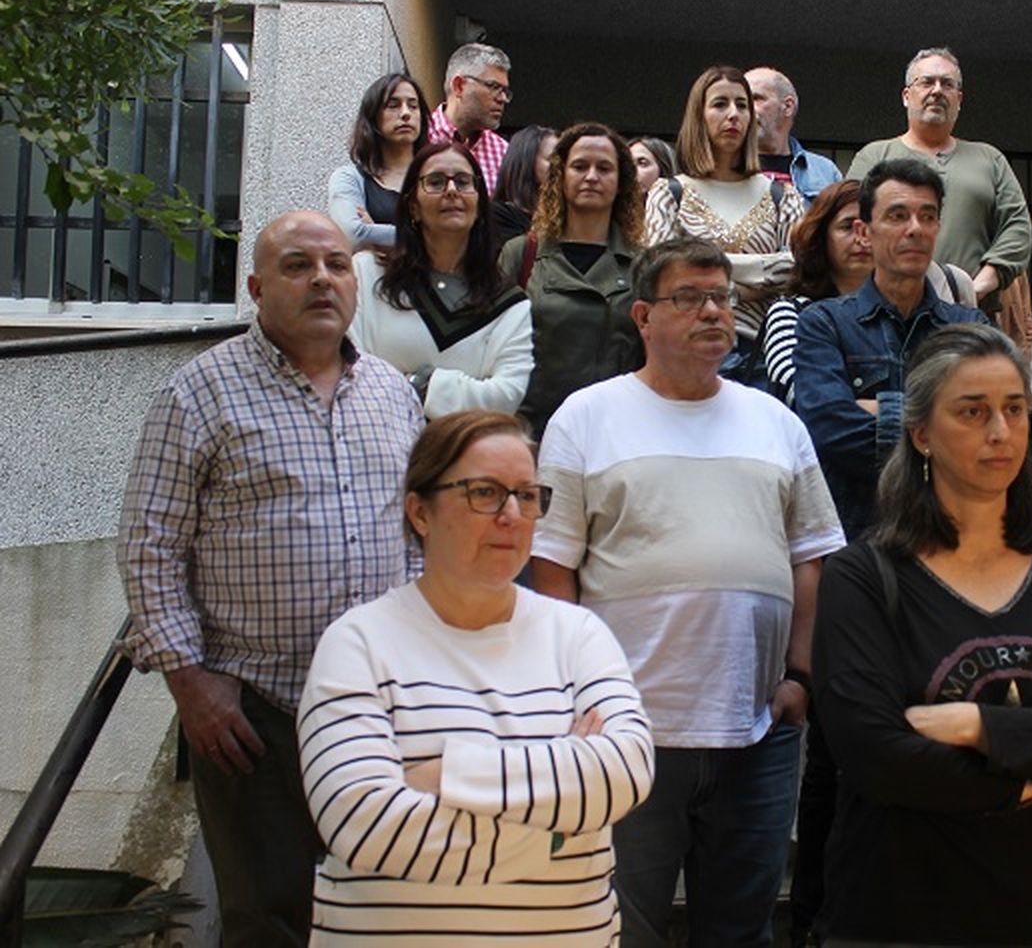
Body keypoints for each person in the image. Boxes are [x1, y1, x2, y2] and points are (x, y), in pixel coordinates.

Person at [529, 238, 846, 947]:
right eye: (691, 297)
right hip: (629, 734)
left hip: (757, 729)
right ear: (642, 316)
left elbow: (811, 558)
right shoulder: (585, 416)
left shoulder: (777, 422)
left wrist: (800, 676)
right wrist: (579, 695)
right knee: (620, 928)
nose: (714, 312)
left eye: (724, 298)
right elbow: (553, 572)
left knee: (741, 929)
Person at [117, 211, 421, 945]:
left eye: (337, 264)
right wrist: (191, 682)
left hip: (376, 706)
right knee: (267, 914)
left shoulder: (392, 391)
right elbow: (149, 544)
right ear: (256, 287)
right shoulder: (199, 393)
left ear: (358, 283)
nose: (322, 278)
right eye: (297, 265)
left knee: (381, 905)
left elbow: (420, 534)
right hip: (252, 713)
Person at [812, 322, 1032, 946]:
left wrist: (978, 728)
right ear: (921, 434)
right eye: (973, 412)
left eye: (1014, 410)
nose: (1001, 432)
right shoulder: (862, 579)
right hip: (901, 922)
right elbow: (880, 760)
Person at [297, 410, 655, 945]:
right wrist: (556, 832)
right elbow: (365, 826)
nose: (512, 514)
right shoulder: (358, 643)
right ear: (420, 511)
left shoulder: (578, 634)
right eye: (484, 493)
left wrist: (448, 774)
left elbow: (626, 772)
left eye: (527, 495)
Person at [793, 159, 986, 539]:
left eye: (927, 216)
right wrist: (947, 423)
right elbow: (831, 433)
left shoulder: (970, 327)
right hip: (858, 538)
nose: (915, 229)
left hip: (951, 538)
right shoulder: (823, 323)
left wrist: (882, 407)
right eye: (897, 216)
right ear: (865, 232)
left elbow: (997, 431)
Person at [644, 65, 806, 379]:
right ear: (699, 115)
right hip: (685, 352)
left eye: (742, 105)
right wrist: (754, 281)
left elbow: (797, 272)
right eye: (720, 104)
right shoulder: (669, 193)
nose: (733, 114)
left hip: (762, 356)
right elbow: (658, 273)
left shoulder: (782, 195)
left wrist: (701, 275)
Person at [349, 141, 532, 418]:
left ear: (481, 206)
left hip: (464, 456)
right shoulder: (365, 275)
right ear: (413, 207)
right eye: (435, 182)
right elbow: (347, 367)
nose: (451, 191)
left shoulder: (511, 304)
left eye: (463, 181)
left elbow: (505, 398)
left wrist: (423, 386)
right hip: (378, 449)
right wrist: (465, 390)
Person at [762, 178, 976, 408]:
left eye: (868, 227)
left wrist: (862, 407)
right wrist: (934, 411)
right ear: (820, 237)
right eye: (847, 227)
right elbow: (807, 405)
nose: (861, 239)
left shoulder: (916, 315)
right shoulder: (791, 313)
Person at [847, 47, 1032, 310]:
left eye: (947, 84)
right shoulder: (874, 156)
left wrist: (974, 289)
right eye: (926, 82)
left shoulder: (990, 159)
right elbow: (849, 223)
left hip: (971, 314)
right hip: (886, 312)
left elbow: (1018, 228)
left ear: (959, 98)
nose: (937, 90)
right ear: (906, 95)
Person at [498, 122, 644, 437]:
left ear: (621, 182)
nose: (591, 176)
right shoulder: (520, 254)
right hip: (531, 434)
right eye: (580, 166)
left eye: (604, 168)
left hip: (616, 434)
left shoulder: (643, 265)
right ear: (559, 177)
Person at [328, 72, 427, 249]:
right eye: (393, 105)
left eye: (413, 106)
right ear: (373, 117)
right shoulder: (349, 178)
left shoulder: (439, 177)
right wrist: (425, 239)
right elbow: (353, 235)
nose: (405, 113)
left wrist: (378, 235)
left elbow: (458, 241)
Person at [745, 65, 844, 204]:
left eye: (756, 98)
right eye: (741, 102)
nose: (745, 109)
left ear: (788, 106)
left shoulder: (825, 172)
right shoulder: (722, 168)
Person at [428, 42, 512, 197]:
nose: (503, 99)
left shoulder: (504, 153)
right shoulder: (418, 138)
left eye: (505, 91)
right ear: (459, 86)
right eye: (493, 87)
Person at [490, 123, 557, 240]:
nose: (561, 167)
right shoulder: (497, 216)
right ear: (527, 163)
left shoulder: (563, 216)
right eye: (552, 159)